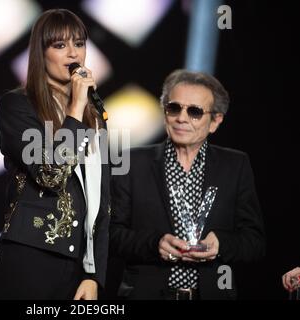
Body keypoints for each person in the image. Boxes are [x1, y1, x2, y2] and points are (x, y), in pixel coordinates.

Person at [109, 69, 265, 300]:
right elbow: (110, 235)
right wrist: (155, 244)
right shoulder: (131, 162)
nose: (181, 118)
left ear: (215, 121)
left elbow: (255, 242)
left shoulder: (235, 165)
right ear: (165, 114)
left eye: (194, 112)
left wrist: (221, 244)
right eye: (174, 108)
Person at [0, 9, 110, 300]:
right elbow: (51, 174)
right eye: (59, 45)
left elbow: (103, 202)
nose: (73, 53)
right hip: (30, 258)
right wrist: (76, 108)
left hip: (76, 268)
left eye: (79, 44)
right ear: (40, 54)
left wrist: (94, 275)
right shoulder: (17, 107)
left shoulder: (94, 118)